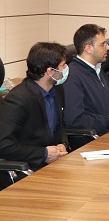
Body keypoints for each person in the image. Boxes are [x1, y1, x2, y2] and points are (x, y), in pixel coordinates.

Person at [0, 42, 70, 189]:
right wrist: (44, 153)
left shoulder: (57, 90)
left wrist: (62, 144)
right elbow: (4, 145)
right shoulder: (19, 99)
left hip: (55, 165)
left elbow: (60, 124)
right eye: (63, 65)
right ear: (50, 71)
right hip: (28, 168)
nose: (66, 69)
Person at [63, 24, 109, 136]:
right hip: (93, 139)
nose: (108, 47)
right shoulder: (72, 76)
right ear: (88, 48)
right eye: (103, 44)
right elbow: (75, 120)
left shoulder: (98, 69)